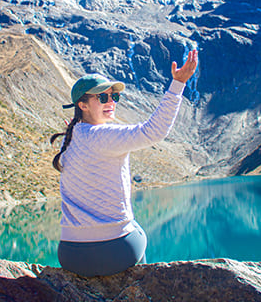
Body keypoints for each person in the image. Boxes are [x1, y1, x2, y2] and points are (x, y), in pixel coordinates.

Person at [51, 49, 199, 277]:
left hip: (70, 254)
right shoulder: (102, 135)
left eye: (114, 97)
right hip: (113, 251)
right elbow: (154, 131)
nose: (111, 102)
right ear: (83, 105)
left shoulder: (71, 139)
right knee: (138, 233)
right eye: (102, 97)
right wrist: (178, 84)